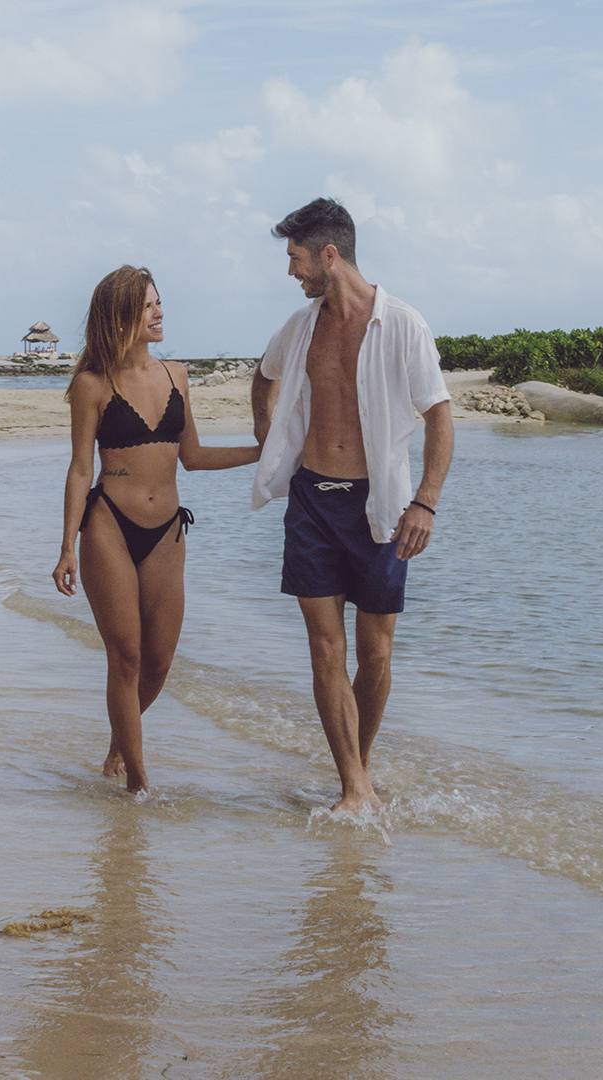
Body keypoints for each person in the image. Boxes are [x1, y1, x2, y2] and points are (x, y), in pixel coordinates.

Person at [250, 199, 453, 814]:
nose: (291, 271)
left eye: (295, 258)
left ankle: (357, 771)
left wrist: (426, 502)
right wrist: (271, 441)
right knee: (323, 648)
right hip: (312, 500)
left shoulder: (403, 324)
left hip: (382, 507)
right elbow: (264, 377)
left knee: (376, 653)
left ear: (328, 256)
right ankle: (354, 787)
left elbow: (441, 417)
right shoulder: (299, 326)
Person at [54, 265, 261, 794]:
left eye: (159, 302)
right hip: (108, 527)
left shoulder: (177, 375)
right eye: (148, 305)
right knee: (125, 655)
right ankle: (139, 784)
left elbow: (192, 456)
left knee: (160, 661)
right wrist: (66, 548)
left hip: (168, 527)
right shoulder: (91, 384)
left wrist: (267, 456)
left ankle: (119, 745)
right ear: (121, 314)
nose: (159, 312)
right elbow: (80, 469)